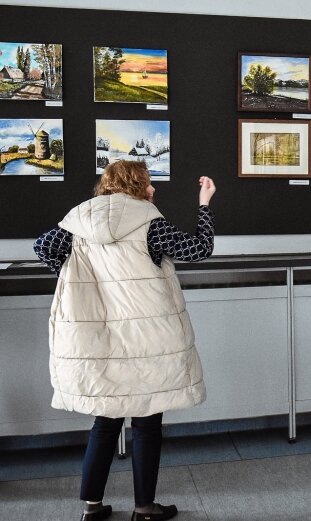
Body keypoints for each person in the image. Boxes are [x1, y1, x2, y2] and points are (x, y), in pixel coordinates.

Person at [33, 160, 217, 521]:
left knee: (105, 423)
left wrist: (76, 277)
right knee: (147, 424)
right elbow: (198, 249)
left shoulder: (77, 221)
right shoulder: (149, 221)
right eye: (148, 182)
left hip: (101, 340)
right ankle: (145, 508)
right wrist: (205, 204)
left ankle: (92, 507)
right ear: (137, 185)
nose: (153, 188)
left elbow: (43, 247)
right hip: (148, 339)